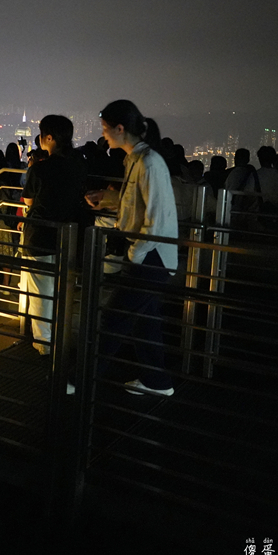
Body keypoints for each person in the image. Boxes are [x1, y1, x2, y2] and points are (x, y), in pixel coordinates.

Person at [83, 100, 178, 396]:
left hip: (151, 257)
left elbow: (157, 218)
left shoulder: (149, 162)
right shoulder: (135, 160)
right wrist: (109, 200)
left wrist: (136, 253)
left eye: (105, 129)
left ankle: (78, 380)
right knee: (144, 323)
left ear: (120, 129)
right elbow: (136, 205)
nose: (104, 135)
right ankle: (158, 382)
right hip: (149, 255)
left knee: (113, 319)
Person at [20, 115, 86, 354]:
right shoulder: (78, 165)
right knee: (61, 289)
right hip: (68, 235)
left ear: (48, 138)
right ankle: (60, 336)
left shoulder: (41, 168)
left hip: (40, 236)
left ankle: (44, 344)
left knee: (40, 293)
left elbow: (28, 200)